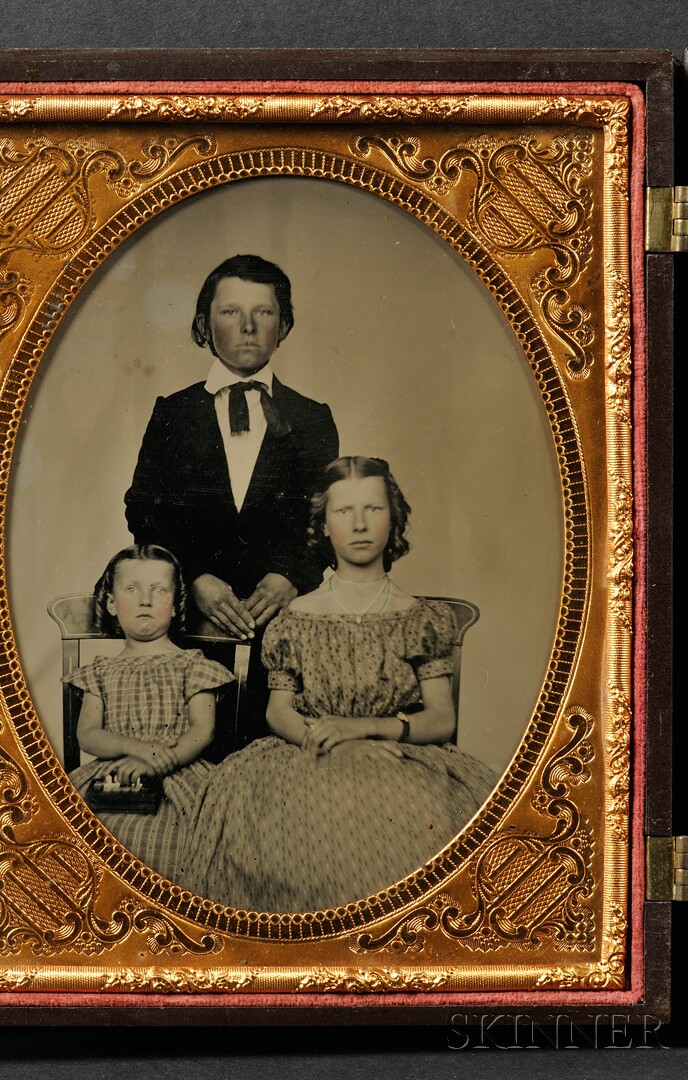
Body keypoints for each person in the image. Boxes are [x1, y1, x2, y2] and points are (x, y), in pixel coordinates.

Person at [178, 457, 497, 911]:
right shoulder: (295, 618)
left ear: (394, 518)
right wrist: (334, 740)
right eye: (344, 511)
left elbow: (441, 718)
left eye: (373, 508)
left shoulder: (422, 619)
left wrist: (367, 731)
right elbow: (279, 711)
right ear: (323, 526)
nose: (360, 524)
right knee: (285, 832)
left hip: (400, 758)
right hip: (307, 754)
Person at [124, 255, 339, 745]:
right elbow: (143, 510)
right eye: (230, 312)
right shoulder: (172, 413)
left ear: (283, 325)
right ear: (204, 324)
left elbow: (327, 522)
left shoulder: (312, 418)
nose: (247, 326)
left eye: (262, 313)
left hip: (285, 630)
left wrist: (290, 577)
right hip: (192, 625)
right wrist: (194, 576)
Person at [66, 544, 234, 879]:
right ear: (112, 603)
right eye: (132, 589)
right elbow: (88, 734)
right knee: (75, 835)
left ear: (175, 605)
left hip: (179, 773)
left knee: (189, 839)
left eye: (159, 590)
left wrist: (161, 759)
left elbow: (202, 730)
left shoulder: (192, 664)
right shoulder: (100, 671)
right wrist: (139, 749)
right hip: (113, 776)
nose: (146, 600)